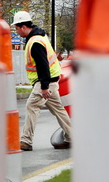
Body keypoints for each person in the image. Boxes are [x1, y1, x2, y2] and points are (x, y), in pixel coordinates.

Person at [12, 11, 72, 151]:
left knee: (31, 106)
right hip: (51, 80)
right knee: (58, 110)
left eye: (16, 28)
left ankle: (26, 141)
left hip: (45, 82)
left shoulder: (35, 42)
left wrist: (44, 87)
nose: (16, 31)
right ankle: (72, 137)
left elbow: (43, 65)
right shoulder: (40, 36)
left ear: (23, 27)